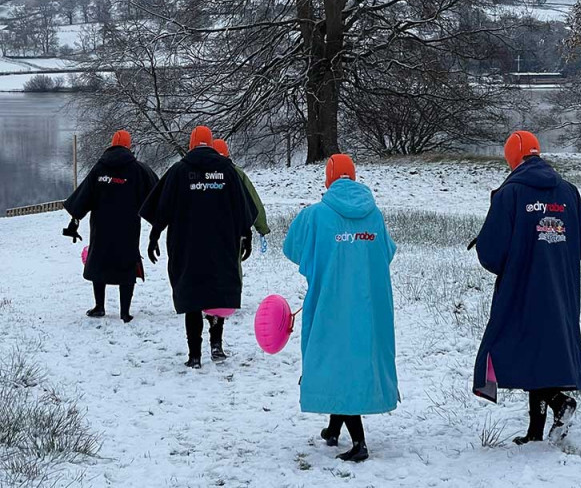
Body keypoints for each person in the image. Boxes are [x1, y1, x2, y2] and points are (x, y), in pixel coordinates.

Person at [472, 130, 581, 445]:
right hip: (562, 286)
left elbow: (492, 253)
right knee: (544, 351)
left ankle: (558, 402)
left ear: (512, 158)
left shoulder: (509, 194)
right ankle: (535, 432)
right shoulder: (569, 191)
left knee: (513, 345)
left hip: (522, 284)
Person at [283, 154, 398, 462]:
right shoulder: (375, 215)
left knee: (334, 361)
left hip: (330, 304)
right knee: (353, 361)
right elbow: (387, 252)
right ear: (354, 177)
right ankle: (333, 429)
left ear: (328, 179)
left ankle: (359, 443)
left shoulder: (315, 215)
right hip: (370, 306)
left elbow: (291, 248)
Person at [140, 126, 257, 369]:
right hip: (222, 242)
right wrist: (246, 235)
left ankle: (194, 355)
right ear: (212, 144)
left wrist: (154, 235)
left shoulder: (179, 171)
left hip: (187, 244)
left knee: (192, 294)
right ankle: (217, 345)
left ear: (191, 145)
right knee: (216, 291)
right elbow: (243, 208)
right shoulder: (227, 171)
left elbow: (161, 207)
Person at [63, 130, 159, 323]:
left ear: (111, 145)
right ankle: (125, 312)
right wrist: (158, 224)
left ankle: (99, 307)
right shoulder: (139, 170)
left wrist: (74, 221)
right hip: (128, 227)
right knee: (127, 264)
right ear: (128, 146)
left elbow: (83, 197)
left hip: (101, 226)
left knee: (100, 261)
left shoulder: (99, 169)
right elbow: (156, 196)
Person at [213, 139, 270, 237]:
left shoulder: (198, 174)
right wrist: (262, 227)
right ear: (227, 155)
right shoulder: (237, 173)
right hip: (233, 229)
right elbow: (253, 200)